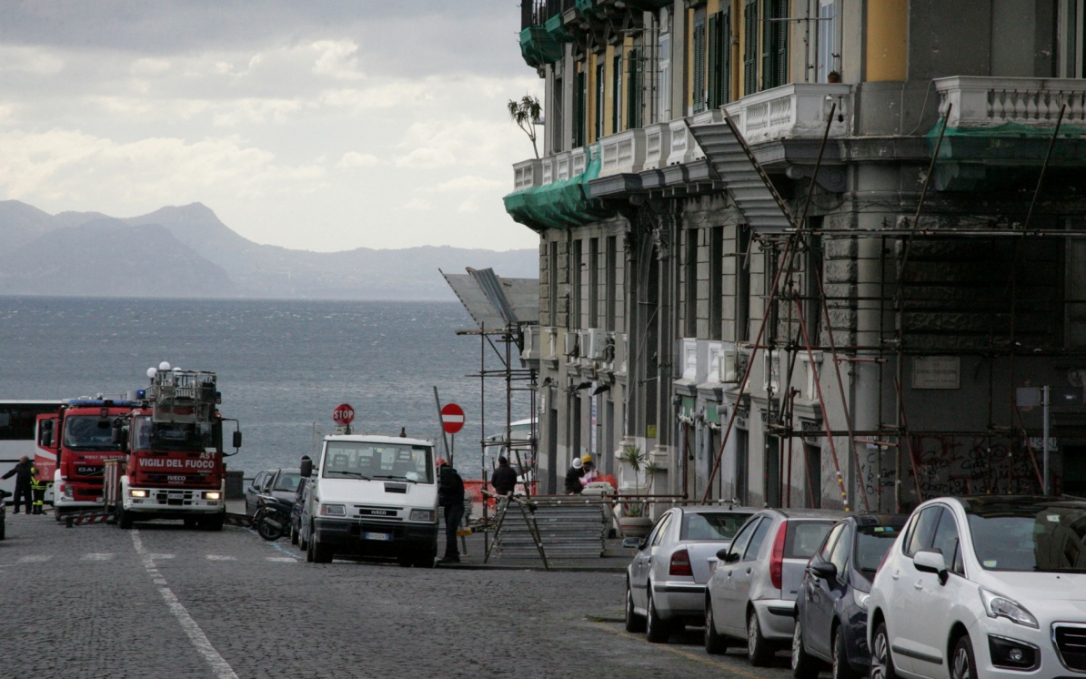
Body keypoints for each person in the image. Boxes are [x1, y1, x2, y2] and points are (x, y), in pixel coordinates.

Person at [436, 458, 465, 565]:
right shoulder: (450, 473)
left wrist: (438, 489)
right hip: (454, 505)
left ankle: (452, 555)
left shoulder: (446, 473)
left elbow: (448, 489)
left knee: (450, 531)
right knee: (450, 531)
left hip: (455, 506)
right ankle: (452, 554)